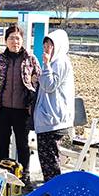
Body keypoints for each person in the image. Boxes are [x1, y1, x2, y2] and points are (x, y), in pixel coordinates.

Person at [0, 25, 41, 191]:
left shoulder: (30, 59)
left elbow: (40, 82)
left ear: (22, 40)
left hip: (23, 110)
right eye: (11, 38)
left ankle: (24, 177)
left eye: (18, 38)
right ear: (5, 40)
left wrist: (36, 82)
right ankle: (1, 174)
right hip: (3, 109)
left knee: (22, 143)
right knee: (2, 142)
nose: (15, 41)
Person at [34, 29, 75, 183]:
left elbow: (50, 86)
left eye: (50, 46)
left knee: (50, 160)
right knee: (47, 158)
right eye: (45, 46)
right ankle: (51, 190)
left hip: (54, 120)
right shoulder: (55, 62)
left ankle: (54, 192)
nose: (46, 49)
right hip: (49, 119)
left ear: (58, 46)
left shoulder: (60, 62)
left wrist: (46, 65)